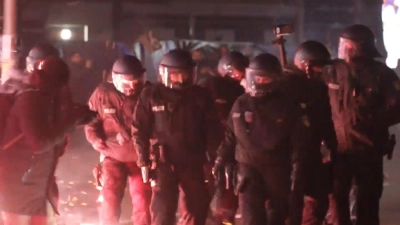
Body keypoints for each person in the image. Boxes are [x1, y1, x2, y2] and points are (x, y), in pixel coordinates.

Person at [213, 53, 315, 225]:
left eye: (265, 79)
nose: (260, 82)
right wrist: (221, 158)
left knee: (278, 217)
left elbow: (299, 144)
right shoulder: (242, 103)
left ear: (275, 79)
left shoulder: (288, 106)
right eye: (257, 77)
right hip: (248, 170)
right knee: (251, 219)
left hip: (279, 172)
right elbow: (231, 136)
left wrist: (297, 173)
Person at [132, 49, 222, 225]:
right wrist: (143, 160)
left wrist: (215, 159)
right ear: (165, 73)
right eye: (175, 75)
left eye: (185, 75)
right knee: (163, 210)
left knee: (196, 209)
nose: (181, 79)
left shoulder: (200, 96)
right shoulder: (151, 94)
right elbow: (139, 129)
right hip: (163, 161)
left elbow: (213, 129)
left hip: (193, 160)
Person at [0, 56, 93, 225]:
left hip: (36, 185)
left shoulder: (46, 98)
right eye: (58, 83)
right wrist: (71, 122)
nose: (61, 89)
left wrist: (78, 118)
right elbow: (39, 142)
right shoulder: (29, 99)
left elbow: (55, 129)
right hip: (17, 187)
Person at [326, 24, 400, 225]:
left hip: (369, 149)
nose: (341, 48)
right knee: (337, 201)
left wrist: (371, 120)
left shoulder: (381, 74)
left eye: (345, 44)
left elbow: (397, 107)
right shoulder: (332, 71)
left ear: (357, 47)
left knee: (367, 202)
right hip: (337, 150)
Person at [84, 55, 151, 225]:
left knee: (142, 198)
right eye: (127, 83)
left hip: (141, 158)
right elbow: (90, 121)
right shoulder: (102, 94)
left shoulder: (150, 94)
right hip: (112, 155)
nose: (132, 88)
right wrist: (95, 139)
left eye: (136, 82)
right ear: (115, 79)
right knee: (110, 195)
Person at [285, 40, 337, 225]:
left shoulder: (318, 88)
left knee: (316, 202)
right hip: (287, 157)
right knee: (289, 206)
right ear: (307, 65)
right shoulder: (283, 86)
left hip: (313, 153)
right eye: (318, 67)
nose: (320, 72)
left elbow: (325, 120)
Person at [197, 51, 247, 225]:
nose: (243, 75)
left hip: (230, 149)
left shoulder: (240, 90)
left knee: (228, 191)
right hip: (208, 149)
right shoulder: (208, 86)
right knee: (204, 191)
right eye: (241, 71)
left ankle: (225, 221)